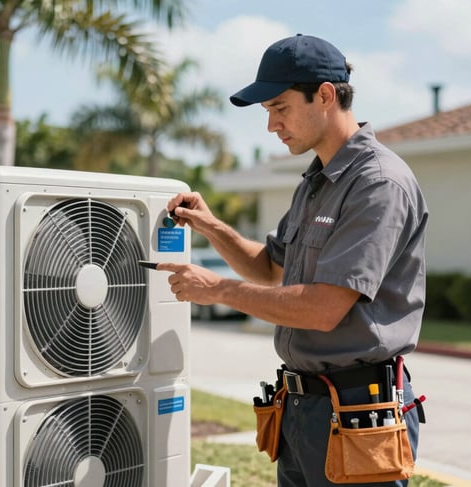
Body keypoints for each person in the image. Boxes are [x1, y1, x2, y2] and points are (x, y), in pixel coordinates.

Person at [158, 33, 428, 487]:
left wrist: (218, 289)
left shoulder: (378, 184)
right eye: (268, 113)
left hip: (360, 412)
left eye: (279, 108)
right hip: (305, 407)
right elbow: (270, 269)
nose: (272, 126)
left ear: (324, 95)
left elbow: (323, 309)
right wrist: (212, 227)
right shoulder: (317, 181)